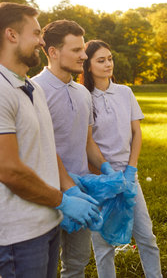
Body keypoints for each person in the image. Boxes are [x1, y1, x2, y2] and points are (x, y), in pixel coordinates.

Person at [0, 3, 100, 278]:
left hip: (47, 224)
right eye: (35, 33)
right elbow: (7, 169)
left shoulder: (31, 88)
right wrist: (62, 201)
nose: (42, 41)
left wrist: (72, 190)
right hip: (16, 236)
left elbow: (47, 149)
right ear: (11, 35)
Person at [32, 20, 113, 278]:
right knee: (41, 268)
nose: (84, 55)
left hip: (82, 193)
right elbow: (37, 147)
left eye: (83, 49)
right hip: (43, 194)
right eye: (76, 49)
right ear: (53, 52)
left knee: (76, 265)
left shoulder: (82, 93)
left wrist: (107, 170)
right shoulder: (34, 90)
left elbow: (87, 142)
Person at [80, 39, 162, 278]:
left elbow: (136, 132)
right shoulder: (84, 97)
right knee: (104, 245)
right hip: (99, 179)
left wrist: (131, 169)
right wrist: (105, 173)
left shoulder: (125, 92)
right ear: (88, 66)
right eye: (101, 60)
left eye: (110, 59)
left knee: (147, 236)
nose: (108, 64)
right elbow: (87, 141)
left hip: (128, 177)